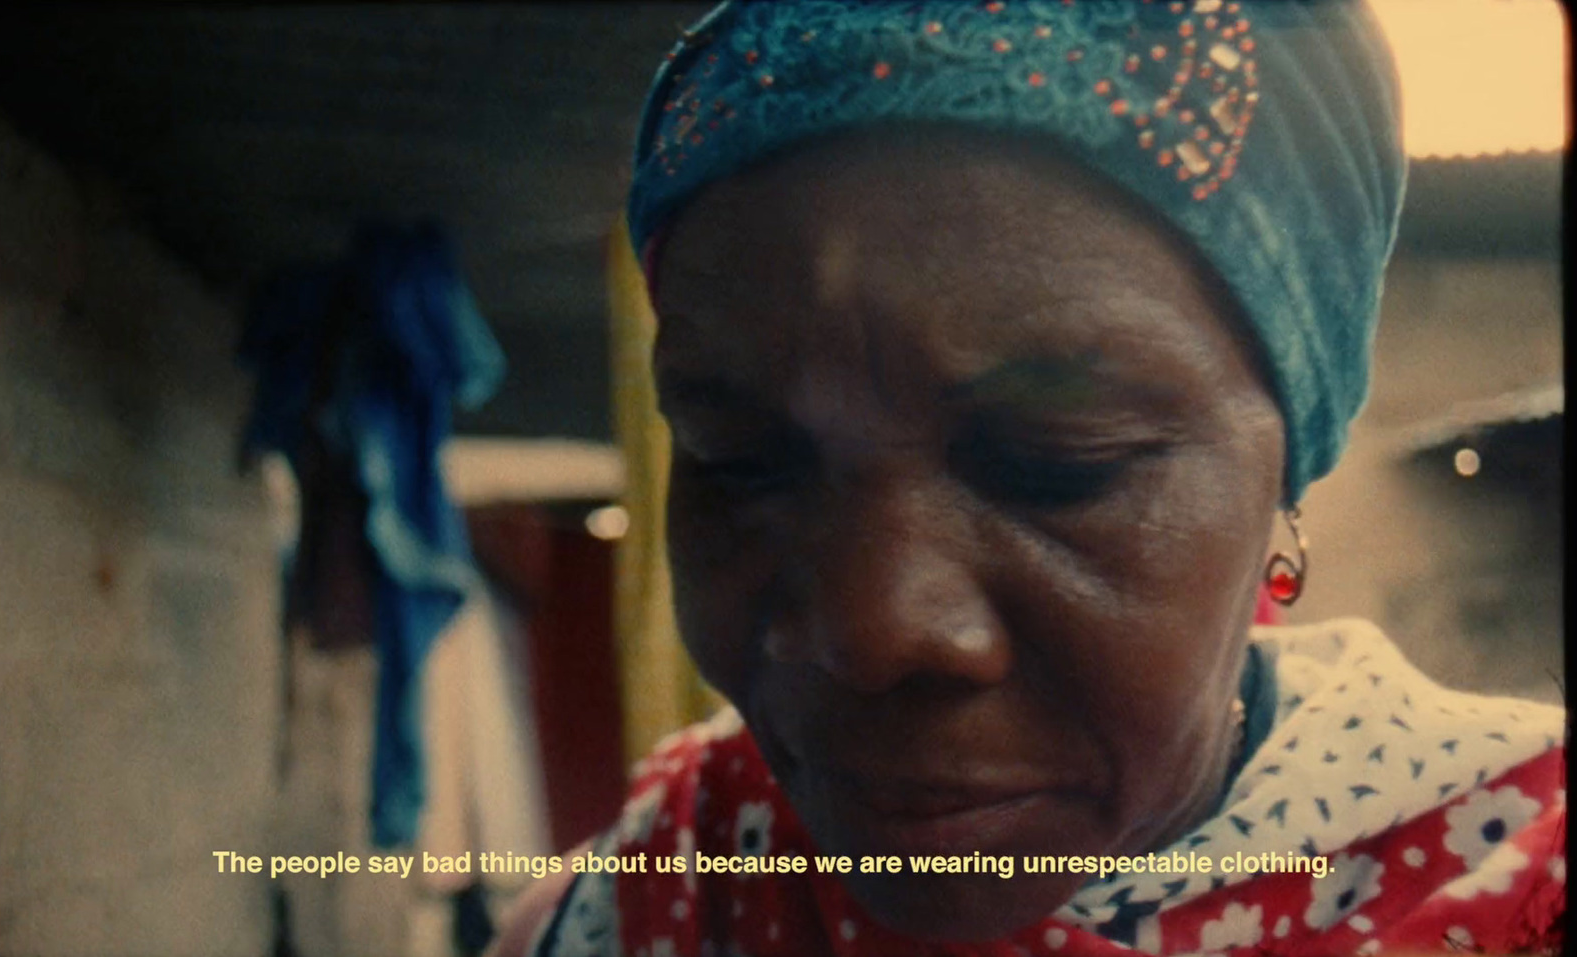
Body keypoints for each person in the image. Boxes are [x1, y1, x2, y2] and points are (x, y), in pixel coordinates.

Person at [498, 2, 1566, 954]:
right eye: (743, 461)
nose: (870, 632)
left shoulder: (1519, 870)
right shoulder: (671, 890)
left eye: (1056, 467)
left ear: (1285, 471)